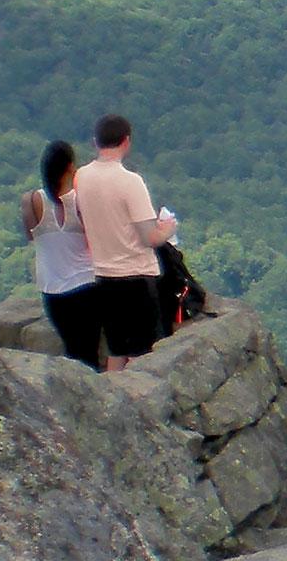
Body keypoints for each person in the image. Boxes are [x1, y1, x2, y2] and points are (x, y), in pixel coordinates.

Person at [71, 113, 178, 371]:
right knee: (144, 355)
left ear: (95, 142)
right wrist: (168, 229)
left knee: (117, 349)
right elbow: (149, 237)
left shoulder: (81, 177)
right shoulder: (130, 182)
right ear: (126, 141)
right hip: (137, 277)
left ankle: (110, 403)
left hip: (102, 276)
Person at [22, 140, 100, 366]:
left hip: (52, 290)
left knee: (73, 350)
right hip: (87, 286)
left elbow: (30, 235)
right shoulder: (80, 200)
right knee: (89, 352)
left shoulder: (31, 201)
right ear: (69, 168)